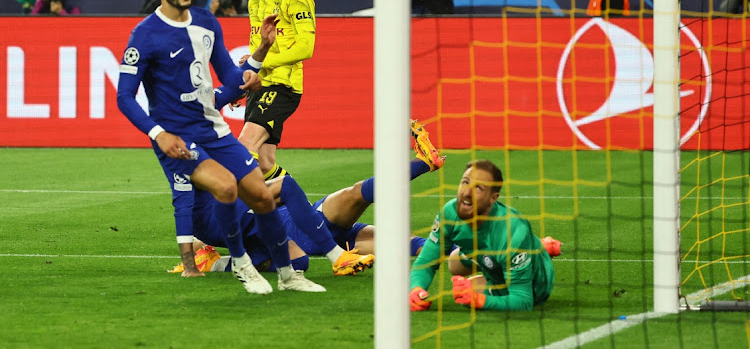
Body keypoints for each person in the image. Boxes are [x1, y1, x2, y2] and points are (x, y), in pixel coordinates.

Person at [116, 0, 325, 294]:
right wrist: (158, 134)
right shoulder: (145, 34)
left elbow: (230, 78)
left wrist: (258, 58)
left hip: (213, 130)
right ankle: (242, 264)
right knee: (227, 186)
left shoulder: (206, 22)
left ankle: (289, 276)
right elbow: (124, 96)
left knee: (262, 196)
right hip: (178, 138)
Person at [170, 119, 446, 274]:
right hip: (301, 228)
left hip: (298, 220)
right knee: (356, 194)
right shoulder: (215, 198)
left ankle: (468, 254)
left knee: (411, 244)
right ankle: (423, 163)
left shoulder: (211, 200)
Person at [410, 159, 558, 312]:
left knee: (474, 294)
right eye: (465, 182)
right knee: (454, 264)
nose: (467, 193)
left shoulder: (511, 231)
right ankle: (531, 247)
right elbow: (427, 260)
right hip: (491, 256)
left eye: (478, 188)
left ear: (493, 198)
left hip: (537, 283)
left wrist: (478, 300)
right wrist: (416, 288)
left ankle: (535, 249)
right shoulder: (450, 212)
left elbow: (523, 301)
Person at [238, 0, 316, 181]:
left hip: (283, 87)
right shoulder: (254, 1)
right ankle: (303, 215)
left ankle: (230, 216)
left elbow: (306, 48)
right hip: (259, 87)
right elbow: (258, 46)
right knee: (264, 165)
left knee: (241, 149)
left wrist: (263, 63)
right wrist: (246, 78)